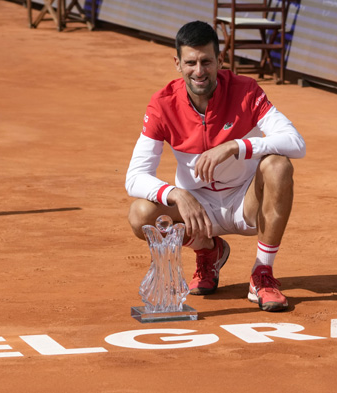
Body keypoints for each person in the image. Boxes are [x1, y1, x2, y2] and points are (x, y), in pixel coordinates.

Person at [125, 21, 306, 312]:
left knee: (278, 166)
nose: (199, 71)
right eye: (191, 62)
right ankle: (207, 250)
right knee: (140, 213)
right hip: (197, 209)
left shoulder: (246, 91)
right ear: (177, 63)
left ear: (220, 60)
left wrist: (236, 146)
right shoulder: (162, 104)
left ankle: (263, 274)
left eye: (207, 62)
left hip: (246, 203)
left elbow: (296, 143)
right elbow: (134, 177)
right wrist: (177, 194)